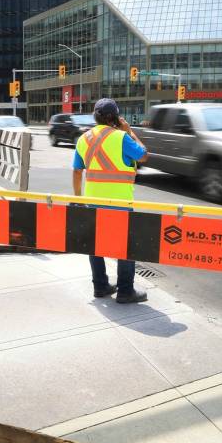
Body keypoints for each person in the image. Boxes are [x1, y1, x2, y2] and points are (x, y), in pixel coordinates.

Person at [72, 98, 149, 304]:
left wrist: (78, 199)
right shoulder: (122, 137)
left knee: (95, 246)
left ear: (95, 116)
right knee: (125, 246)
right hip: (120, 204)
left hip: (92, 203)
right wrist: (130, 130)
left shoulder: (83, 139)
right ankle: (125, 291)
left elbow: (77, 171)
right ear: (115, 117)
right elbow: (143, 155)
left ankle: (100, 286)